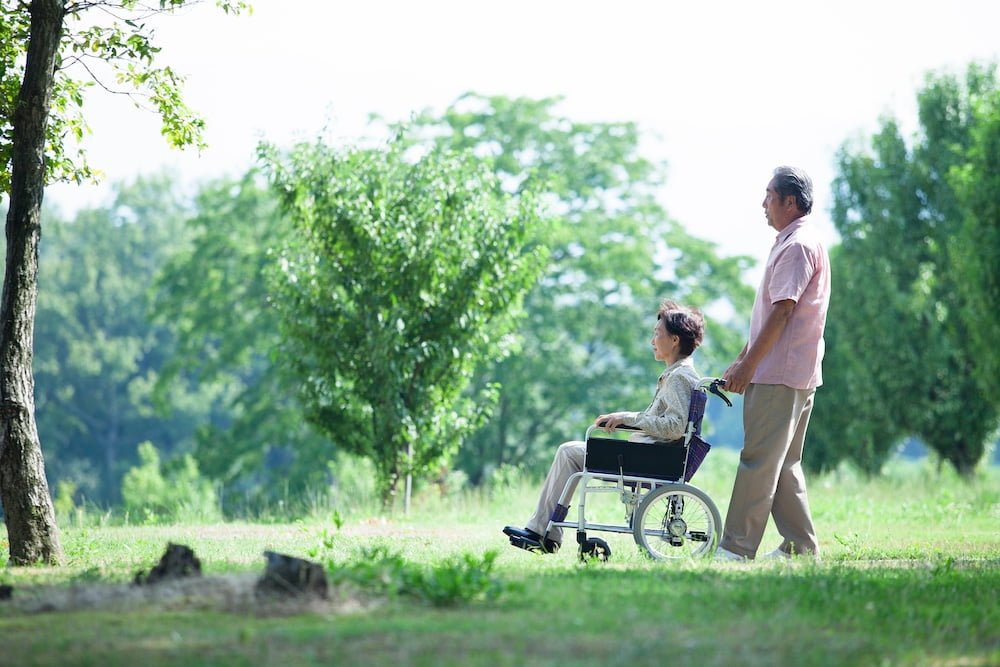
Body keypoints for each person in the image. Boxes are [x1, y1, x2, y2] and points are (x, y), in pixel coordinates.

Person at [503, 299, 705, 554]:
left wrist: (628, 419)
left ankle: (544, 532)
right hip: (652, 456)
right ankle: (545, 531)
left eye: (657, 334)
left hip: (651, 460)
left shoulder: (679, 377)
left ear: (674, 340)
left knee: (569, 452)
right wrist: (624, 416)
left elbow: (675, 427)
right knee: (572, 451)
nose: (652, 341)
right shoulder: (679, 374)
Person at [716, 166, 830, 561]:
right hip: (794, 373)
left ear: (789, 202)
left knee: (759, 461)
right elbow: (771, 313)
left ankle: (735, 548)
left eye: (769, 195)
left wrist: (749, 367)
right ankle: (800, 548)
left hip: (779, 374)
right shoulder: (796, 241)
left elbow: (782, 312)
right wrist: (741, 360)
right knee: (784, 464)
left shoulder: (797, 245)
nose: (762, 204)